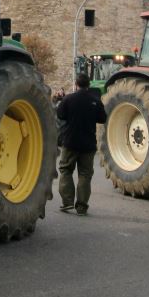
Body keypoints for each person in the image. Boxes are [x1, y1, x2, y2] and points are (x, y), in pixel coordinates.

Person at [56, 72, 107, 216]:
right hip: (88, 143)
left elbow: (60, 115)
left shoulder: (68, 99)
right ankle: (82, 206)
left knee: (66, 170)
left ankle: (67, 202)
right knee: (85, 174)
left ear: (77, 84)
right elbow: (103, 118)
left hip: (70, 142)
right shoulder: (95, 100)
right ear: (89, 85)